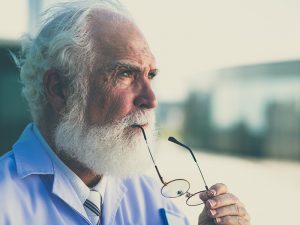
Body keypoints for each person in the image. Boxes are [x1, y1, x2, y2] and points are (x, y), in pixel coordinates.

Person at [0, 1, 250, 224]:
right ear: (60, 89)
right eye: (125, 74)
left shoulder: (151, 197)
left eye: (150, 75)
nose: (151, 100)